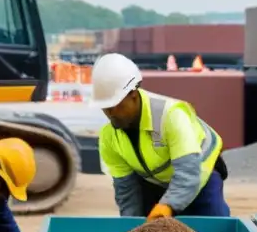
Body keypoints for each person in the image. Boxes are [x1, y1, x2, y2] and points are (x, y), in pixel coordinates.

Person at [90, 52, 230, 220]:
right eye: (105, 107)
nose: (110, 113)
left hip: (199, 174)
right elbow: (126, 189)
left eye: (115, 105)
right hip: (156, 182)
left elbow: (188, 171)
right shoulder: (109, 137)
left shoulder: (170, 116)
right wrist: (130, 229)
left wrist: (168, 205)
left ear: (133, 95)